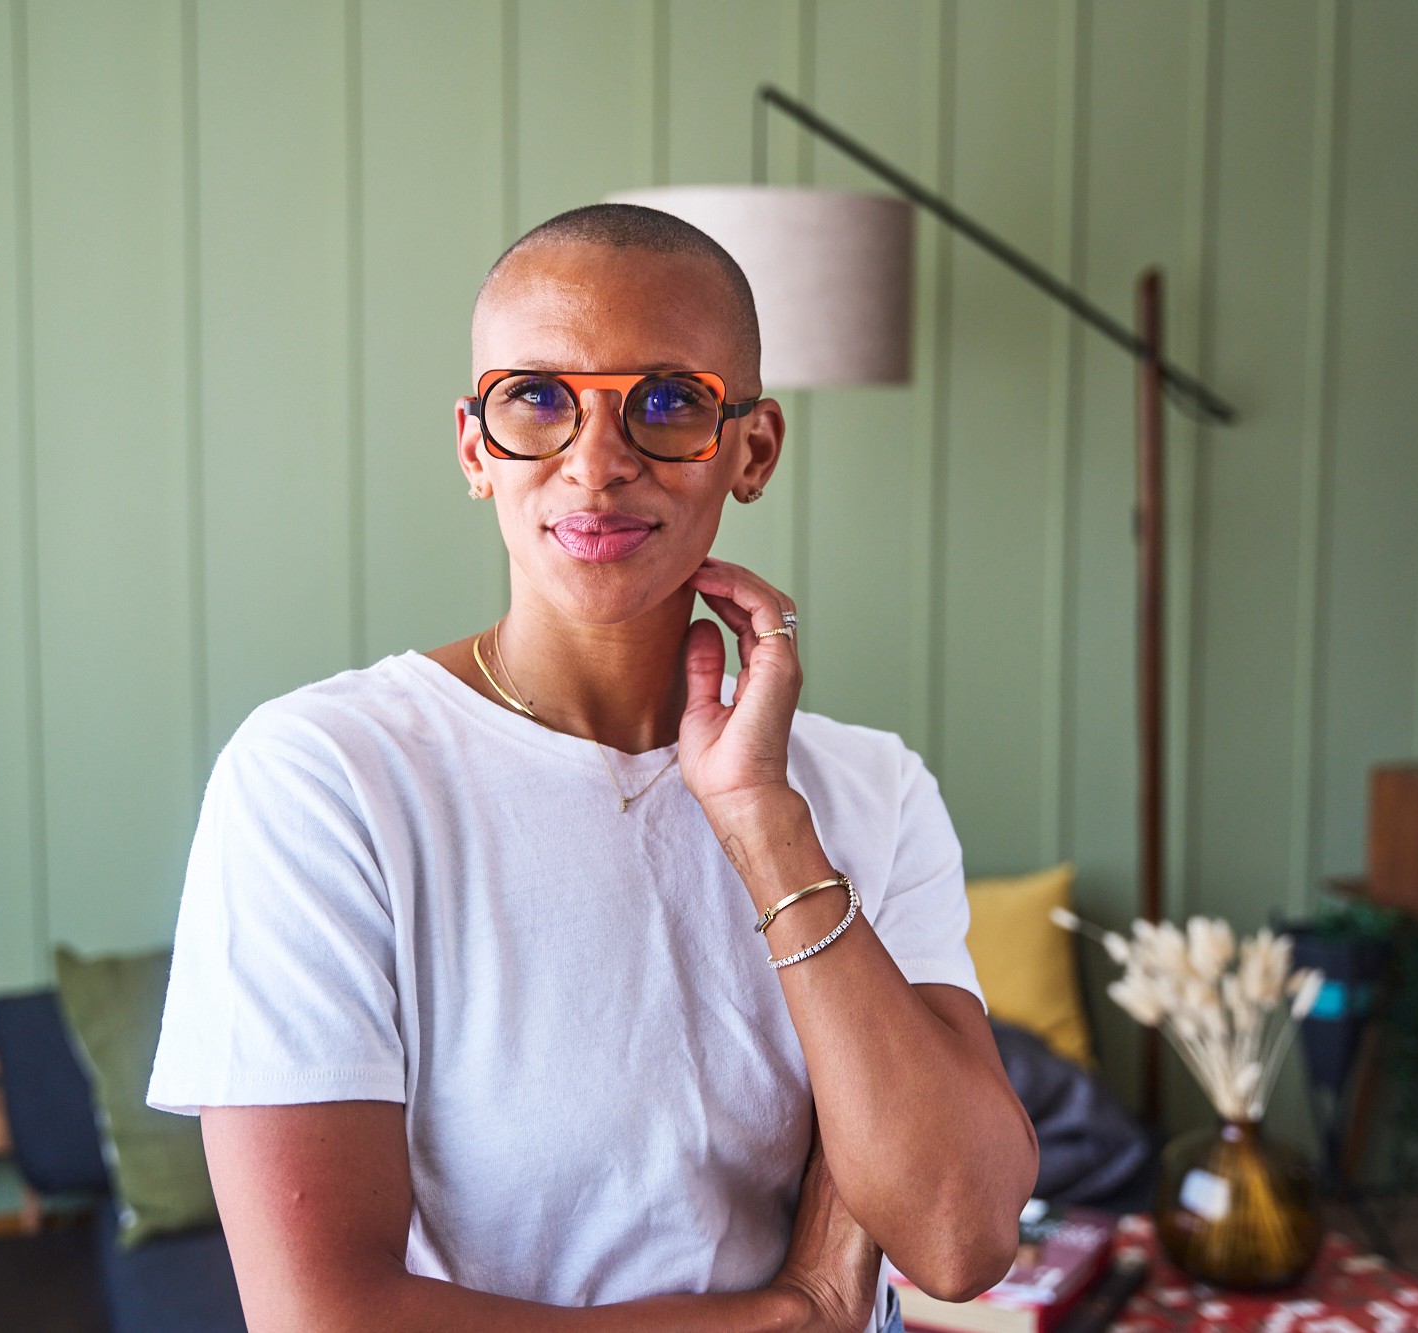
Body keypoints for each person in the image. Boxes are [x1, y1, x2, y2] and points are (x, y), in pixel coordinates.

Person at [148, 203, 1039, 1333]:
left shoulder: (871, 788)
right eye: (536, 397)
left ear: (753, 449)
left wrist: (761, 819)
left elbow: (959, 1236)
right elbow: (324, 1319)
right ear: (475, 448)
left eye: (667, 402)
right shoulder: (324, 778)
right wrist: (794, 1312)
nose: (598, 462)